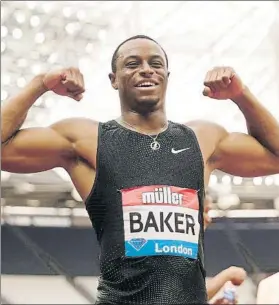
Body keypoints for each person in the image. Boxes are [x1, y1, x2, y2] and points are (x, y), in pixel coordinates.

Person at [2, 34, 279, 304]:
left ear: (167, 76)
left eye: (156, 63)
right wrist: (40, 84)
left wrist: (241, 95)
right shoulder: (87, 140)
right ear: (113, 79)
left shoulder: (202, 140)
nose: (146, 70)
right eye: (133, 64)